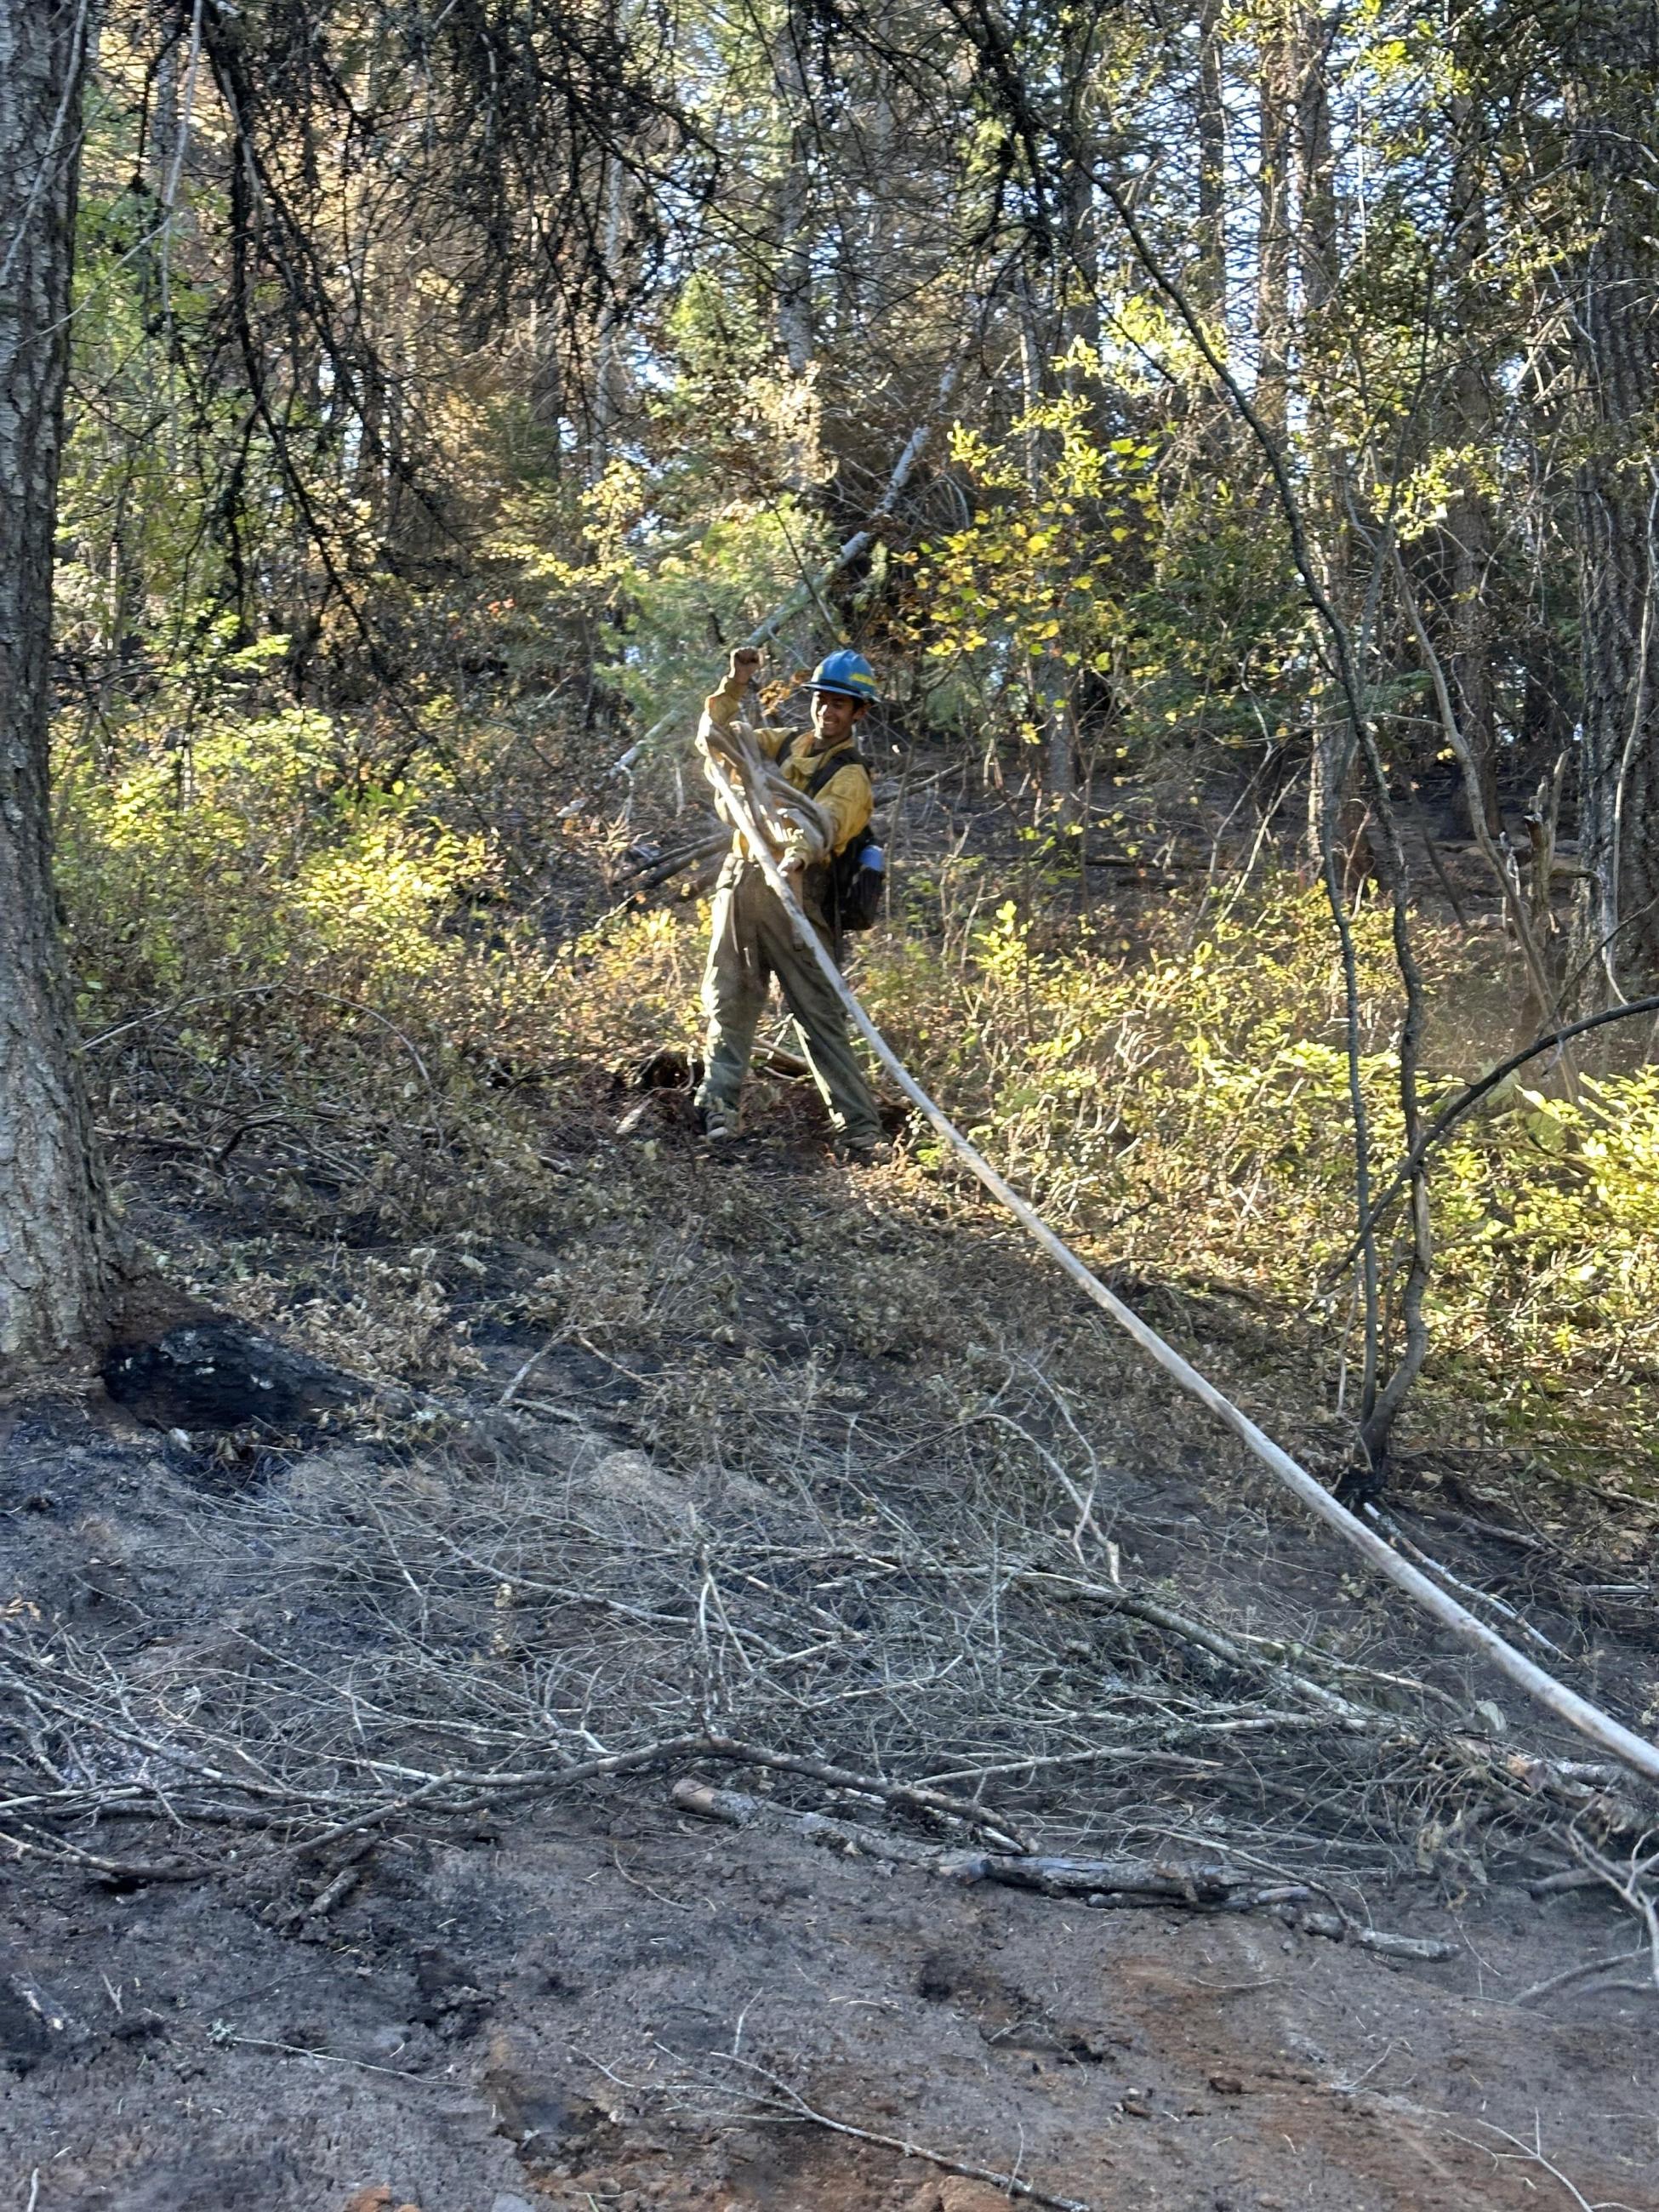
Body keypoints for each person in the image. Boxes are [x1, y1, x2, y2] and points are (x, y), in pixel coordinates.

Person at [693, 646, 887, 1161]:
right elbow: (715, 740)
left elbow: (825, 823)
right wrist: (735, 683)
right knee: (729, 996)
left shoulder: (851, 776)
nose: (828, 710)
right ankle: (718, 1109)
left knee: (817, 1013)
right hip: (742, 881)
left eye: (841, 704)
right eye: (824, 699)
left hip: (799, 896)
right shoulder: (778, 745)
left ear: (859, 713)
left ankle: (861, 1131)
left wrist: (797, 856)